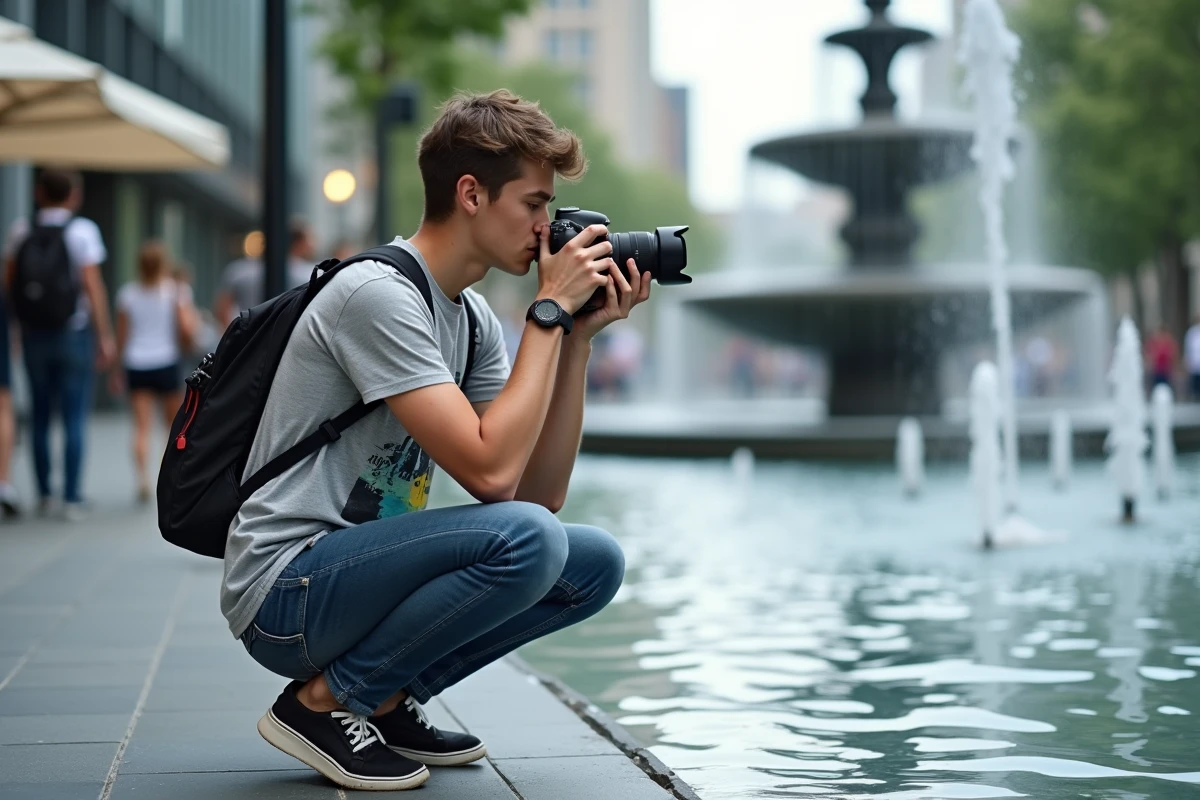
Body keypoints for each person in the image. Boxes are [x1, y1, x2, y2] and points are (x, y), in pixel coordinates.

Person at [224, 89, 650, 791]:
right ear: (472, 194)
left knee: (590, 562)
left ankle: (384, 699)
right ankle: (323, 704)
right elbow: (488, 477)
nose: (550, 229)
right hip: (285, 592)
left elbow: (533, 496)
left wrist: (574, 343)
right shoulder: (377, 296)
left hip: (353, 582)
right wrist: (545, 314)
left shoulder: (474, 319)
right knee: (529, 541)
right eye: (535, 204)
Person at [3, 169, 115, 521]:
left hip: (34, 333)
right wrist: (105, 336)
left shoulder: (21, 231)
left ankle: (44, 494)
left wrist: (15, 330)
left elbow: (8, 286)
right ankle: (71, 497)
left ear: (38, 193)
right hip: (73, 333)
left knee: (38, 414)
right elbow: (92, 286)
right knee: (73, 414)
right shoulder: (83, 232)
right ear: (74, 196)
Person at [111, 241, 198, 503]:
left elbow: (122, 337)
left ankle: (142, 479)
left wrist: (117, 369)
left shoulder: (127, 294)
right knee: (171, 427)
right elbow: (186, 330)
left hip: (137, 363)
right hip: (166, 362)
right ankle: (167, 478)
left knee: (141, 427)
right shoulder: (175, 292)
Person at [213, 219, 317, 329]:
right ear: (299, 243)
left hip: (248, 338)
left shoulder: (239, 270)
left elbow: (221, 310)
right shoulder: (309, 274)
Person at [1145, 324, 1178, 389]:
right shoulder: (1154, 342)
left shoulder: (1169, 342)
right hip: (1157, 369)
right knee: (1156, 387)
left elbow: (1173, 355)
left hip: (1166, 370)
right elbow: (1149, 354)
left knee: (1167, 387)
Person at [1185, 314, 1200, 401]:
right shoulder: (1191, 332)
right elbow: (1188, 346)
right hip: (1194, 360)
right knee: (1194, 381)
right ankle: (1195, 396)